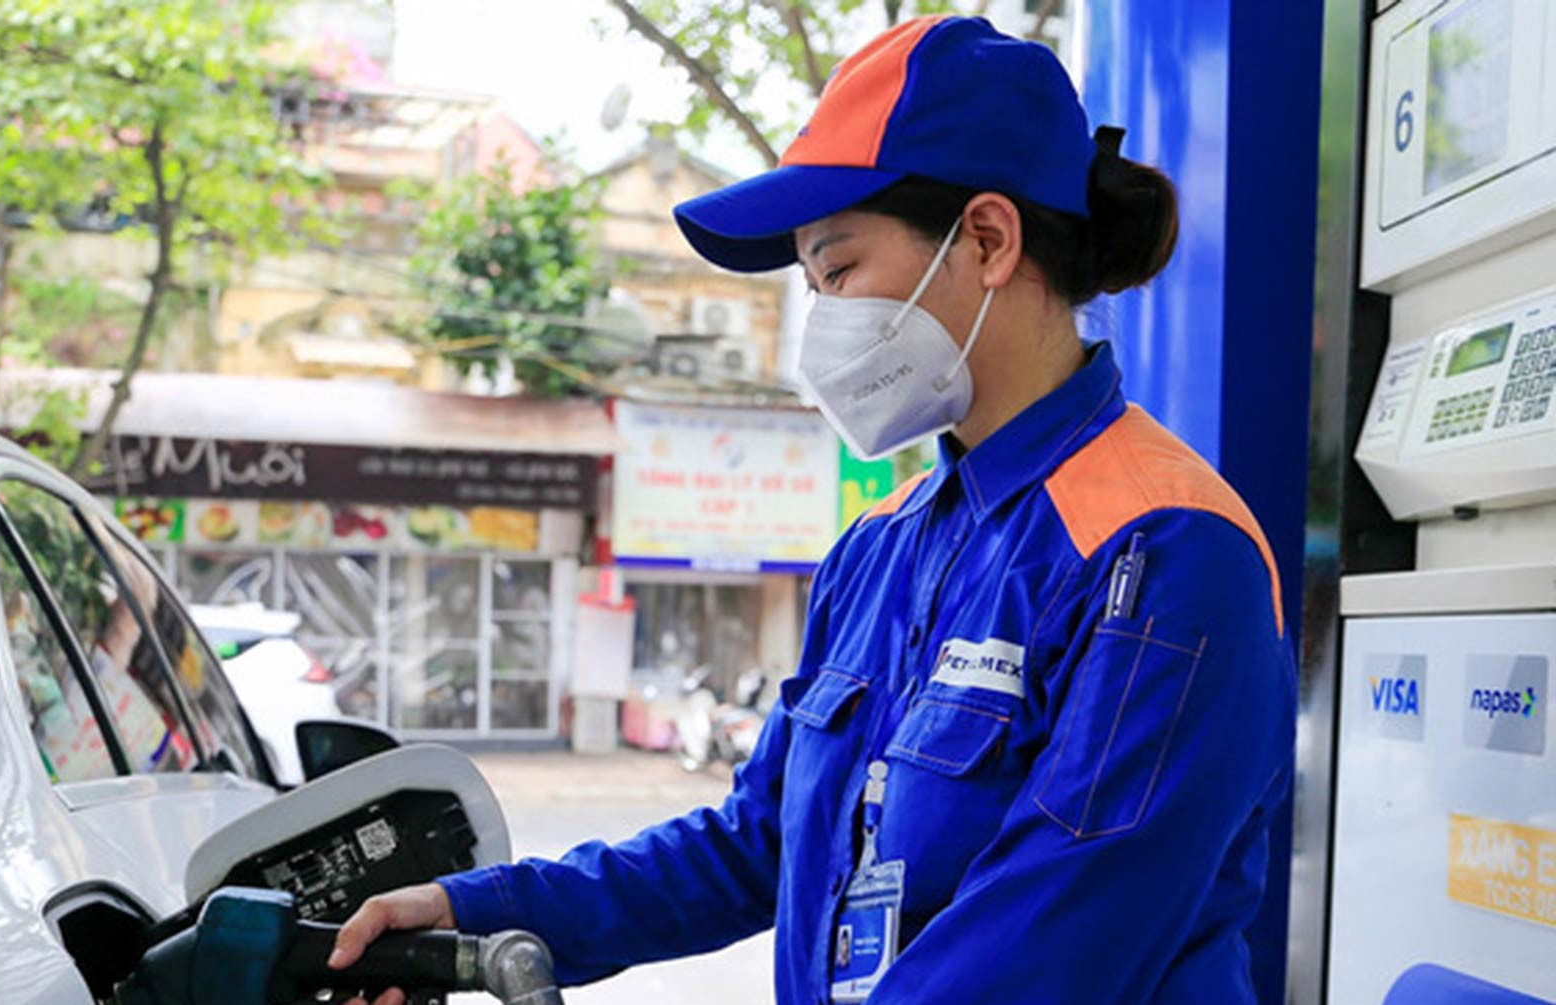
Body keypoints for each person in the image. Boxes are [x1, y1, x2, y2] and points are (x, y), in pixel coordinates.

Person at [329, 15, 1295, 1004]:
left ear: (989, 239)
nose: (822, 325)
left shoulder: (1165, 549)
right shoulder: (882, 546)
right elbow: (759, 844)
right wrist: (473, 912)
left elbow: (1051, 944)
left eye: (838, 272)